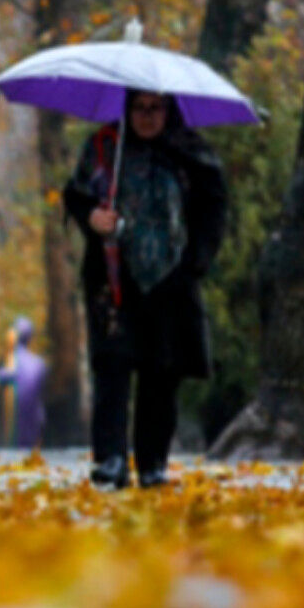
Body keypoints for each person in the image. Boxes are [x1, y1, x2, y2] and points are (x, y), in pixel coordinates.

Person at [64, 89, 227, 488]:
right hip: (113, 277)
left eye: (156, 108)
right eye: (139, 108)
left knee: (162, 373)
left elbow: (214, 205)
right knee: (113, 368)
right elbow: (77, 195)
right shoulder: (105, 147)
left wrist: (197, 261)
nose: (148, 117)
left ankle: (152, 462)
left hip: (171, 279)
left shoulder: (191, 152)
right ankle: (111, 459)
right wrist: (92, 218)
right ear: (127, 108)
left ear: (169, 110)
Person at [0, 316, 49, 449]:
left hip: (18, 420)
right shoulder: (38, 363)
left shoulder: (14, 360)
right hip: (35, 417)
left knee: (20, 447)